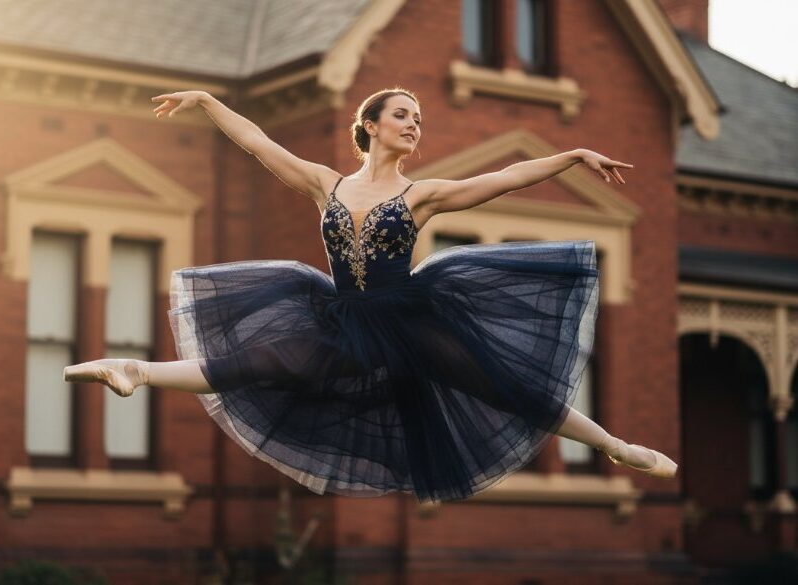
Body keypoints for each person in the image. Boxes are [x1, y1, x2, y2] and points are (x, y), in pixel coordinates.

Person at [64, 87, 676, 504]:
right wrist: (205, 101)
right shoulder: (325, 184)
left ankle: (614, 447)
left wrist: (572, 156)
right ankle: (136, 370)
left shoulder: (420, 195)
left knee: (500, 385)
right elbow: (256, 142)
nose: (414, 125)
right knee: (259, 363)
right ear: (372, 125)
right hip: (341, 323)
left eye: (419, 119)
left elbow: (503, 178)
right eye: (403, 115)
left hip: (408, 321)